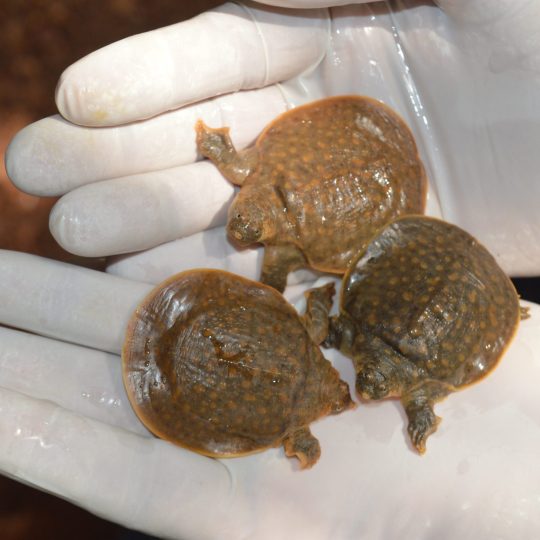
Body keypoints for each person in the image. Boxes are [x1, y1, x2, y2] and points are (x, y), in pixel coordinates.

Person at [2, 1, 540, 538]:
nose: (366, 390)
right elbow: (302, 296)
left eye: (356, 390)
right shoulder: (321, 337)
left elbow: (314, 297)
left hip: (370, 221)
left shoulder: (333, 338)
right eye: (248, 230)